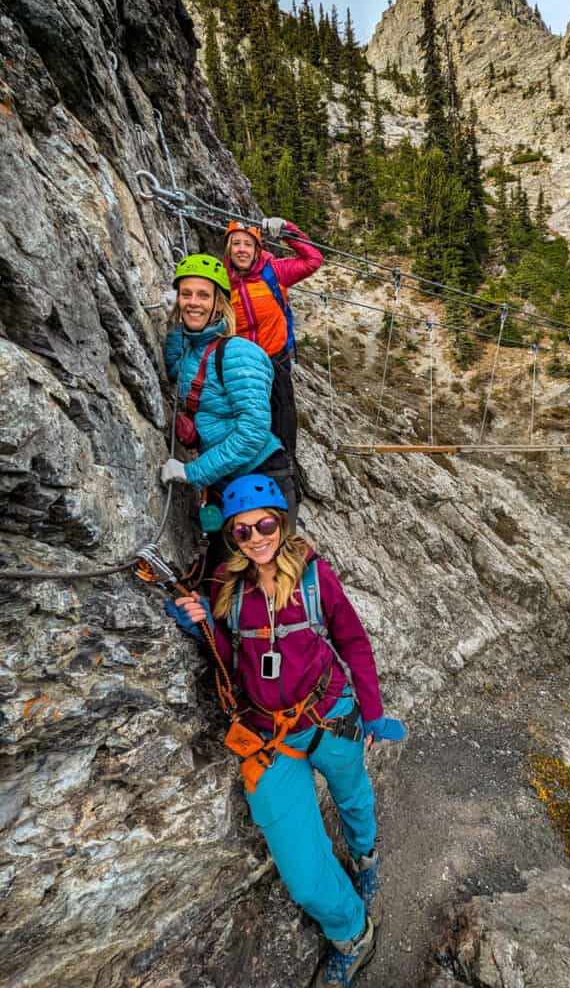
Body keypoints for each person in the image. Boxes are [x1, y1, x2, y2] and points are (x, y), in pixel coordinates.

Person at [164, 474, 407, 987]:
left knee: (353, 797)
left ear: (283, 521)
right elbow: (228, 653)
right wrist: (200, 621)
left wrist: (372, 710)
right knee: (301, 870)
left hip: (330, 714)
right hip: (268, 735)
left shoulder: (317, 579)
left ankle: (365, 856)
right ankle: (354, 933)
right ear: (232, 536)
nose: (257, 538)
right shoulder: (227, 587)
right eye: (243, 531)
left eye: (266, 524)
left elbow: (354, 643)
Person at [161, 253, 298, 528]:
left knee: (262, 568)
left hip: (262, 478)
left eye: (203, 295)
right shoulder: (196, 348)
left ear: (219, 304)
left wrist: (192, 472)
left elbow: (253, 432)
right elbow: (175, 367)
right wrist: (175, 323)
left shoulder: (239, 353)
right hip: (229, 479)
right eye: (186, 294)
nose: (193, 303)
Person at [224, 216, 323, 484]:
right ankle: (248, 474)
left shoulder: (273, 272)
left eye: (248, 244)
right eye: (236, 244)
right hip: (243, 366)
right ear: (228, 249)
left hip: (274, 359)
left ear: (257, 249)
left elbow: (312, 260)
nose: (242, 249)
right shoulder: (221, 281)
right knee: (246, 422)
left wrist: (288, 232)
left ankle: (284, 473)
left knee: (283, 417)